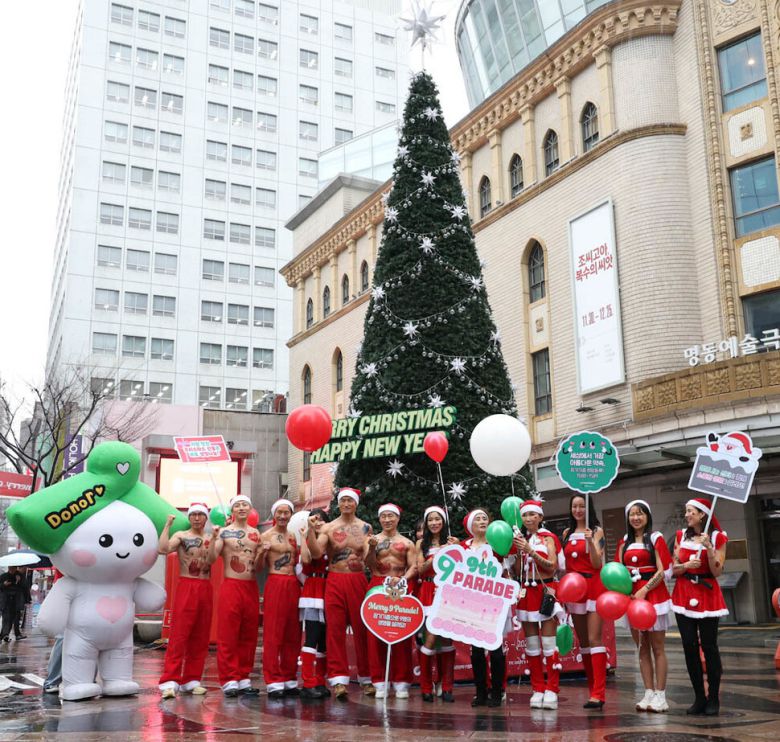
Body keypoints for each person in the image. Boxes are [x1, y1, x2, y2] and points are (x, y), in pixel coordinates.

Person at [306, 487, 374, 700]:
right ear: (338, 503)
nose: (346, 504)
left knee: (361, 629)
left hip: (357, 579)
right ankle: (338, 680)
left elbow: (369, 560)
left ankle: (366, 678)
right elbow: (316, 553)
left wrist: (371, 548)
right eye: (342, 500)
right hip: (335, 579)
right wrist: (309, 532)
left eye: (349, 501)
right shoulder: (328, 527)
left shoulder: (365, 527)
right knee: (334, 629)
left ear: (356, 504)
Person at [671, 498, 728, 716]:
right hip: (684, 593)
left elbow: (718, 571)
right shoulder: (680, 536)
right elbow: (674, 569)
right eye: (686, 511)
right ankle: (699, 697)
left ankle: (714, 698)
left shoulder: (717, 537)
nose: (686, 515)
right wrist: (685, 565)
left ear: (702, 514)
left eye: (690, 511)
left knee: (710, 646)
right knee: (688, 645)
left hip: (707, 595)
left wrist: (709, 549)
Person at [615, 500, 673, 713]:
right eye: (632, 514)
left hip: (653, 595)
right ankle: (648, 691)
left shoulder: (655, 538)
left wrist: (645, 589)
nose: (636, 518)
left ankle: (661, 694)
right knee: (641, 648)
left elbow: (663, 570)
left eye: (640, 514)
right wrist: (626, 591)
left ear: (647, 516)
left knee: (658, 648)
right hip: (631, 597)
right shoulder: (624, 541)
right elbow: (618, 570)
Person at [157, 502, 214, 699]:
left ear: (206, 518)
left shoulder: (210, 538)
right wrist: (167, 525)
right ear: (189, 517)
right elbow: (162, 549)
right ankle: (169, 681)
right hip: (187, 585)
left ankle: (192, 679)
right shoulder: (181, 536)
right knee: (179, 634)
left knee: (200, 635)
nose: (197, 518)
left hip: (205, 586)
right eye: (194, 514)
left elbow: (216, 558)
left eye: (201, 515)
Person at [207, 494, 262, 697]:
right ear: (232, 510)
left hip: (251, 586)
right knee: (229, 634)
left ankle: (244, 677)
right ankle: (229, 678)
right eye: (237, 505)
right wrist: (213, 538)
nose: (241, 508)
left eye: (244, 505)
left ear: (250, 509)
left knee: (248, 634)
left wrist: (263, 553)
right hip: (231, 585)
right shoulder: (224, 533)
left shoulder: (256, 534)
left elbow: (260, 564)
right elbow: (212, 559)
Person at [513, 500, 563, 710]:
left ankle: (552, 688)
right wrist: (518, 552)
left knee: (549, 642)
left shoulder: (548, 538)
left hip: (546, 592)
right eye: (525, 515)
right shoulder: (520, 539)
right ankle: (537, 688)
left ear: (541, 517)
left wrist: (531, 551)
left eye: (534, 514)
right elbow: (517, 571)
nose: (529, 518)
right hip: (526, 594)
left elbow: (552, 567)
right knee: (532, 645)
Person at [365, 503, 417, 700]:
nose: (387, 520)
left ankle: (401, 681)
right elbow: (368, 564)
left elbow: (414, 567)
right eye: (383, 516)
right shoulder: (372, 540)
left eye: (391, 516)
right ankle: (379, 681)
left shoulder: (407, 543)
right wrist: (370, 550)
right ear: (379, 519)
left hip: (399, 586)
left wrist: (402, 580)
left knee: (401, 633)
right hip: (377, 584)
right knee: (375, 635)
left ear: (397, 518)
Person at [561, 494, 607, 709]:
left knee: (594, 638)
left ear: (588, 508)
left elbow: (598, 564)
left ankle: (599, 693)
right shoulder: (566, 533)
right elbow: (566, 566)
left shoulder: (597, 531)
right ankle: (592, 691)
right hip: (575, 591)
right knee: (584, 642)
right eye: (574, 506)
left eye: (581, 506)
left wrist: (590, 541)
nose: (578, 510)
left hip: (595, 588)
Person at [462, 508, 507, 708]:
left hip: (494, 602)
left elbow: (508, 566)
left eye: (485, 518)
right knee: (476, 651)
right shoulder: (463, 547)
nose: (482, 521)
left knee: (496, 649)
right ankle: (481, 692)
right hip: (471, 603)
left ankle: (497, 692)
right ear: (470, 525)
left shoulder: (497, 543)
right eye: (477, 519)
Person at [258, 498, 302, 699]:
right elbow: (258, 567)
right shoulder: (266, 536)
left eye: (287, 512)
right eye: (280, 512)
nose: (283, 516)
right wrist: (262, 552)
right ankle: (273, 679)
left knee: (292, 633)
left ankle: (289, 676)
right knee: (273, 632)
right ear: (274, 514)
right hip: (275, 582)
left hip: (293, 583)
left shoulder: (293, 536)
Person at [416, 505, 459, 703]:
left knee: (447, 640)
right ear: (426, 523)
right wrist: (437, 555)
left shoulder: (452, 542)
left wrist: (455, 549)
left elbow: (461, 567)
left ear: (443, 522)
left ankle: (446, 685)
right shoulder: (420, 544)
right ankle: (426, 685)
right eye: (431, 520)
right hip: (427, 591)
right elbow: (420, 569)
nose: (434, 523)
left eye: (438, 519)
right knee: (431, 639)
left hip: (447, 593)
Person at [298, 508, 330, 699]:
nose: (318, 523)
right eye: (314, 520)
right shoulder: (308, 539)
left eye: (321, 520)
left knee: (324, 641)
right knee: (312, 636)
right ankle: (308, 683)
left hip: (329, 589)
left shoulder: (331, 540)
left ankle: (320, 681)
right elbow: (307, 560)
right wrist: (305, 537)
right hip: (313, 590)